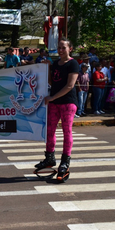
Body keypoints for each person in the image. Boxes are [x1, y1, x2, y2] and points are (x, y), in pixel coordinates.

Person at [34, 38, 79, 182]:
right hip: (54, 103)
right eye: (59, 48)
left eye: (63, 48)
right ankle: (49, 157)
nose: (60, 50)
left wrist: (52, 97)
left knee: (67, 132)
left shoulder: (73, 64)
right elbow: (52, 82)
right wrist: (47, 68)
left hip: (67, 103)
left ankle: (65, 162)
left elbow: (70, 85)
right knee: (49, 130)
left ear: (69, 49)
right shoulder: (55, 64)